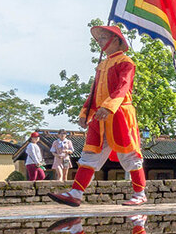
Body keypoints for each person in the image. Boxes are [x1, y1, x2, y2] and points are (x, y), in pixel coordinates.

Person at [50, 24, 148, 207]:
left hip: (120, 114)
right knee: (89, 155)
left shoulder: (126, 62)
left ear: (116, 40)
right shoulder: (102, 65)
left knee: (129, 155)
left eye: (103, 38)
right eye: (99, 38)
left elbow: (123, 87)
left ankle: (140, 194)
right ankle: (76, 193)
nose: (100, 41)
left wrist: (109, 106)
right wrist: (85, 112)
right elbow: (94, 92)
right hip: (99, 117)